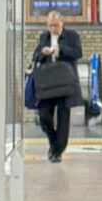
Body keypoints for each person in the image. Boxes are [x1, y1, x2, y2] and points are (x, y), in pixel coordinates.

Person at [30, 10, 84, 162]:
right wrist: (42, 53)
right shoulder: (44, 37)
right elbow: (35, 56)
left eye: (55, 25)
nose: (52, 28)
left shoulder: (72, 36)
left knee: (63, 118)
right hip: (47, 84)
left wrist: (62, 52)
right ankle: (54, 143)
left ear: (61, 23)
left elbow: (78, 52)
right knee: (44, 116)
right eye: (50, 25)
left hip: (64, 83)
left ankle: (57, 151)